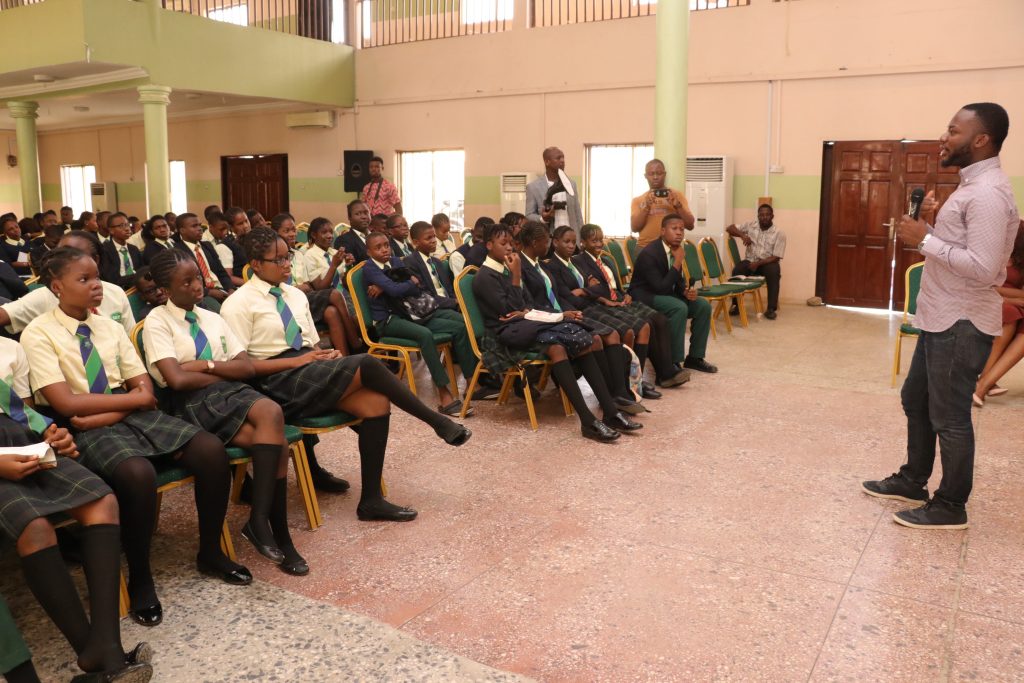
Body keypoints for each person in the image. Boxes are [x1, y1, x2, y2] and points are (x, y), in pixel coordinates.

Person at [21, 247, 246, 629]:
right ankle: (140, 576)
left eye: (97, 277)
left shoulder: (109, 327)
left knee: (210, 450)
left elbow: (146, 392)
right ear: (57, 286)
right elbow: (65, 403)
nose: (97, 285)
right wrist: (129, 403)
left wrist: (117, 409)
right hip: (80, 428)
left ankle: (210, 550)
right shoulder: (38, 333)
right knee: (136, 472)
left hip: (112, 415)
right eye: (84, 279)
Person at [220, 227, 472, 521]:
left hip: (306, 370)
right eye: (278, 260)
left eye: (288, 256)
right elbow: (242, 369)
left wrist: (325, 355)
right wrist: (299, 362)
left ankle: (371, 501)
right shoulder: (237, 304)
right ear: (256, 264)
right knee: (366, 362)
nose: (287, 264)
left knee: (376, 403)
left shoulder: (295, 295)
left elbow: (311, 343)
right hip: (272, 383)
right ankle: (437, 421)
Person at [863, 102, 1019, 530]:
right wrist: (927, 232)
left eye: (953, 131)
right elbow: (963, 252)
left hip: (961, 322)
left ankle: (951, 504)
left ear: (981, 139)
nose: (943, 138)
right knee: (916, 399)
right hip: (941, 315)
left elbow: (985, 269)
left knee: (949, 417)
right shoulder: (970, 186)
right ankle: (913, 480)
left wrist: (925, 241)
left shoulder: (987, 194)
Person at [143, 249, 308, 575]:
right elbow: (177, 380)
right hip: (192, 404)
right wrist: (222, 371)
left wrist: (205, 365)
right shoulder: (157, 321)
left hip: (230, 395)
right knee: (271, 414)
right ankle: (265, 527)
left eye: (197, 277)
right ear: (164, 289)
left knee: (277, 444)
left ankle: (269, 530)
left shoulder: (212, 317)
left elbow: (245, 368)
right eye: (186, 282)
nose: (197, 285)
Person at [0, 335, 153, 683]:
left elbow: (23, 412)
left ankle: (106, 646)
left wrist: (52, 437)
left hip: (22, 443)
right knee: (34, 525)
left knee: (102, 501)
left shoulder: (9, 348)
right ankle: (96, 655)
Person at [471, 224, 623, 442]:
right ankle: (588, 421)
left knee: (583, 339)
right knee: (558, 346)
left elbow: (525, 304)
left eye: (511, 243)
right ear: (488, 245)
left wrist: (523, 310)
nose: (509, 248)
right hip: (504, 333)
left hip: (526, 323)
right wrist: (516, 279)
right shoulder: (485, 276)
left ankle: (610, 411)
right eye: (503, 243)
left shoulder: (506, 268)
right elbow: (509, 310)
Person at [517, 222, 645, 421]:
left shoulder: (539, 264)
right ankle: (611, 396)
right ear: (535, 243)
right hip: (549, 319)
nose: (548, 245)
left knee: (605, 335)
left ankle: (617, 392)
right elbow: (531, 304)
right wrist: (563, 314)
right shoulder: (522, 267)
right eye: (546, 241)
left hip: (564, 312)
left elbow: (559, 295)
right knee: (596, 338)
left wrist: (571, 310)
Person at [362, 232, 474, 416]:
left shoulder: (396, 261)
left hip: (412, 314)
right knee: (425, 335)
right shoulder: (369, 268)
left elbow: (417, 286)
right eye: (378, 247)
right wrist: (396, 285)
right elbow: (398, 289)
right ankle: (444, 394)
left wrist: (386, 285)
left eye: (386, 245)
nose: (384, 250)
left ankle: (471, 383)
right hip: (388, 320)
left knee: (461, 328)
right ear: (368, 252)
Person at [568, 224, 688, 392]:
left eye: (600, 240)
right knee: (646, 324)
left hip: (620, 299)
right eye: (593, 241)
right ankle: (637, 380)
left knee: (660, 319)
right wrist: (595, 291)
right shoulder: (578, 261)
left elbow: (613, 285)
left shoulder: (606, 260)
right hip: (604, 304)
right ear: (583, 242)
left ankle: (665, 372)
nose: (599, 244)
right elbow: (592, 289)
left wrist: (625, 294)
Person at [0, 231, 135, 337]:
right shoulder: (47, 295)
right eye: (60, 254)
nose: (63, 259)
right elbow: (4, 315)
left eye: (74, 255)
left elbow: (130, 339)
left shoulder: (115, 293)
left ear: (95, 260)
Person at [628, 214, 717, 375]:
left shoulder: (675, 249)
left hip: (664, 293)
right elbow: (660, 287)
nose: (679, 233)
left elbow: (677, 280)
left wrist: (685, 291)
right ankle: (672, 361)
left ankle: (695, 357)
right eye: (674, 228)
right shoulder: (650, 253)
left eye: (682, 229)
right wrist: (677, 261)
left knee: (702, 305)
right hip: (645, 296)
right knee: (679, 307)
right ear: (663, 231)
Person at [276, 214, 359, 355]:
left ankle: (343, 359)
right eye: (286, 231)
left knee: (331, 312)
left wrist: (347, 266)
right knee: (335, 294)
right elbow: (315, 286)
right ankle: (355, 343)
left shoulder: (298, 255)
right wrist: (299, 287)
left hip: (305, 296)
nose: (292, 234)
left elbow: (307, 284)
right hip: (288, 297)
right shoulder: (279, 258)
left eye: (293, 230)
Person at [973, 221, 1024, 404]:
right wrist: (1010, 298)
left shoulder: (1021, 261)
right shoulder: (991, 254)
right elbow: (983, 287)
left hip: (1013, 305)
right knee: (1010, 313)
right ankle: (987, 382)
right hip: (985, 299)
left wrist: (1002, 293)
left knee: (1013, 314)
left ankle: (983, 383)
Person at [726, 204, 786, 319]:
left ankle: (771, 309)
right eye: (761, 215)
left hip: (767, 263)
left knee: (774, 270)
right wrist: (743, 236)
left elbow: (776, 257)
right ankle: (736, 305)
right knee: (737, 270)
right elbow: (729, 228)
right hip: (750, 260)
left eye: (767, 214)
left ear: (772, 216)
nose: (764, 217)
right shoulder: (751, 225)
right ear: (758, 216)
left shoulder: (779, 233)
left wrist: (757, 264)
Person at [173, 213, 234, 310]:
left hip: (221, 289)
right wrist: (209, 292)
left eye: (200, 225)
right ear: (182, 230)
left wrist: (230, 289)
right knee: (223, 311)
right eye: (194, 226)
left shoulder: (207, 246)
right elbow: (184, 282)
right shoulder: (177, 251)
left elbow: (221, 272)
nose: (200, 229)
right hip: (202, 294)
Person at [630, 158, 695, 249]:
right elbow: (634, 228)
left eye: (659, 173)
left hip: (671, 249)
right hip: (645, 247)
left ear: (664, 174)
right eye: (651, 174)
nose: (655, 177)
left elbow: (690, 225)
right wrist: (646, 207)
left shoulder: (677, 196)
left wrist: (678, 206)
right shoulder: (638, 200)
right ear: (646, 176)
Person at [525, 147, 584, 236]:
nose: (562, 161)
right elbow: (529, 215)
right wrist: (543, 219)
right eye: (558, 158)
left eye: (563, 158)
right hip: (549, 239)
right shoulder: (533, 187)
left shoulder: (571, 184)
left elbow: (577, 213)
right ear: (547, 162)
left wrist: (582, 237)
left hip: (572, 239)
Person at [98, 213, 143, 290]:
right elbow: (111, 279)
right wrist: (135, 277)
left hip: (138, 287)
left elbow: (142, 271)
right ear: (111, 230)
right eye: (121, 226)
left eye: (127, 225)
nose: (127, 229)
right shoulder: (105, 250)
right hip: (117, 289)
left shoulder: (134, 249)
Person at [206, 212, 245, 287]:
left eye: (227, 228)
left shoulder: (231, 238)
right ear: (211, 227)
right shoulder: (205, 241)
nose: (225, 232)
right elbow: (227, 277)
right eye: (221, 229)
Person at [335, 199, 371, 264]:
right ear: (349, 217)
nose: (364, 217)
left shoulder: (378, 236)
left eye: (366, 213)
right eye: (358, 214)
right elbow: (350, 265)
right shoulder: (343, 240)